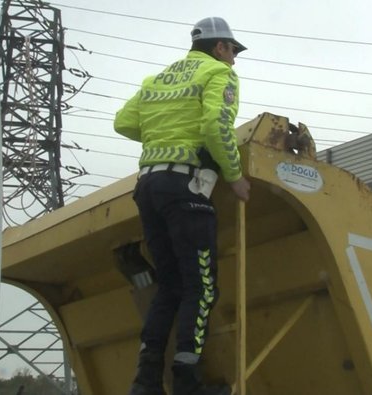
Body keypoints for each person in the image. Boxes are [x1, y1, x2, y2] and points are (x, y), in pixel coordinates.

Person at [114, 16, 250, 395]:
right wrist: (235, 175)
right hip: (185, 187)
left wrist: (162, 136)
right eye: (233, 51)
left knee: (169, 286)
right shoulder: (218, 74)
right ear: (220, 47)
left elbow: (123, 123)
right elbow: (215, 126)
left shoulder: (156, 80)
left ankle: (145, 382)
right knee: (201, 288)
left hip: (149, 185)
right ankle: (188, 383)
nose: (235, 60)